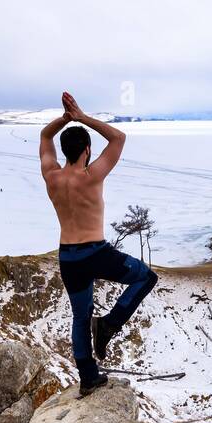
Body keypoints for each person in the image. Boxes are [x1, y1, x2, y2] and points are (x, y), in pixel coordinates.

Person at [40, 92, 158, 396]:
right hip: (95, 252)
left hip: (68, 257)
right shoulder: (91, 176)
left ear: (63, 150)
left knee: (80, 318)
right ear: (88, 150)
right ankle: (108, 324)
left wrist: (63, 121)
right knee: (146, 277)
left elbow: (44, 135)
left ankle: (88, 377)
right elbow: (118, 137)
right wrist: (80, 117)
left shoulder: (51, 176)